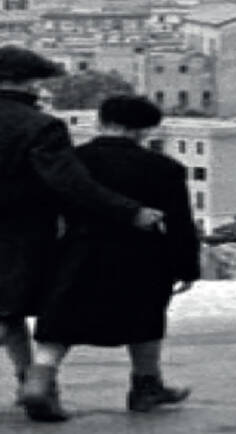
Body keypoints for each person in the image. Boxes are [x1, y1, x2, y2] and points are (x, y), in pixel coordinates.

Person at [0, 45, 164, 411]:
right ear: (27, 83)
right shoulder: (40, 127)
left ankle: (33, 383)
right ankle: (35, 384)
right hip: (20, 232)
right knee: (18, 309)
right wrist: (130, 212)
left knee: (5, 311)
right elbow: (71, 183)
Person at [20, 95, 200, 422]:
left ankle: (38, 383)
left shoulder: (73, 161)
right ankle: (147, 387)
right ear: (145, 130)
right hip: (141, 255)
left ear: (101, 121)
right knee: (145, 320)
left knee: (60, 323)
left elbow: (46, 211)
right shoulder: (164, 169)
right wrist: (186, 266)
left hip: (77, 250)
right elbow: (180, 223)